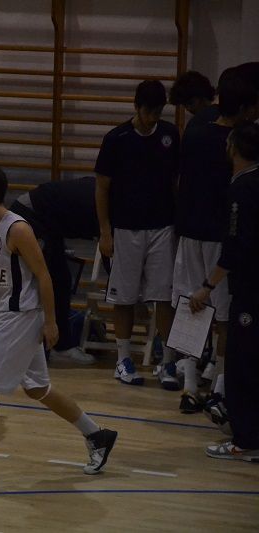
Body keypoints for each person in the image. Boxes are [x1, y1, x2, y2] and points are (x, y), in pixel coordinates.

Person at [0, 166, 117, 486]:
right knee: (37, 388)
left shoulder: (18, 229)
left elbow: (45, 276)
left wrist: (51, 321)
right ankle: (97, 435)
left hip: (23, 316)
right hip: (8, 316)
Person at [172, 74, 259, 413]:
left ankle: (190, 387)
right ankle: (220, 389)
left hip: (189, 231)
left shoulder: (195, 131)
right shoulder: (243, 142)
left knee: (190, 306)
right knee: (223, 314)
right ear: (245, 108)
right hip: (219, 237)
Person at [95, 80, 180, 386]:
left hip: (162, 227)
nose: (153, 118)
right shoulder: (116, 139)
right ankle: (123, 360)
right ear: (137, 106)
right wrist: (105, 231)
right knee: (125, 297)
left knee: (165, 297)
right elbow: (102, 188)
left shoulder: (170, 134)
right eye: (148, 111)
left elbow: (176, 182)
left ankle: (168, 362)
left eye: (158, 112)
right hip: (126, 229)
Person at [190, 122, 259, 463]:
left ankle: (246, 440)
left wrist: (206, 287)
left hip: (251, 291)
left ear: (234, 148)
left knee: (243, 363)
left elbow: (234, 248)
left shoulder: (242, 187)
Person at [9, 176, 99, 365]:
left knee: (62, 280)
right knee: (43, 281)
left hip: (50, 224)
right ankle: (36, 345)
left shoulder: (103, 196)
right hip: (30, 216)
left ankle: (60, 345)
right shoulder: (103, 200)